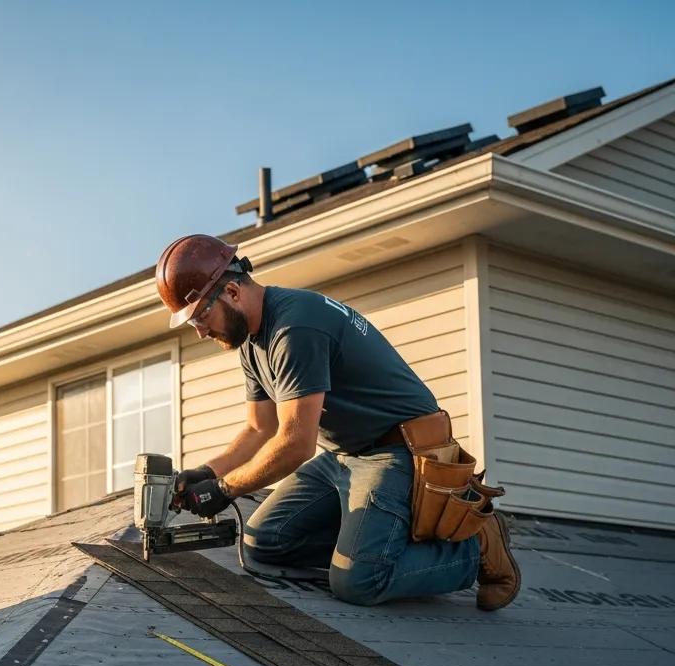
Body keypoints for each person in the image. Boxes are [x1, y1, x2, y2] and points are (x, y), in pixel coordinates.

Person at [154, 233, 520, 611]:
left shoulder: (295, 328)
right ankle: (372, 542)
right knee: (264, 541)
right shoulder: (249, 339)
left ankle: (475, 547)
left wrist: (225, 488)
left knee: (359, 582)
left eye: (200, 315)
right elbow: (259, 428)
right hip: (347, 455)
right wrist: (207, 471)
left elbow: (296, 444)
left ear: (232, 292)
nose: (199, 331)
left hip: (401, 451)